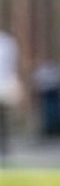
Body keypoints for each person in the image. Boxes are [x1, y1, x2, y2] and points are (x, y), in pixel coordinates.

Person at [0, 29, 20, 159]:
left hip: (3, 84)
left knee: (3, 119)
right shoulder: (7, 42)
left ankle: (4, 147)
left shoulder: (6, 42)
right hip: (5, 84)